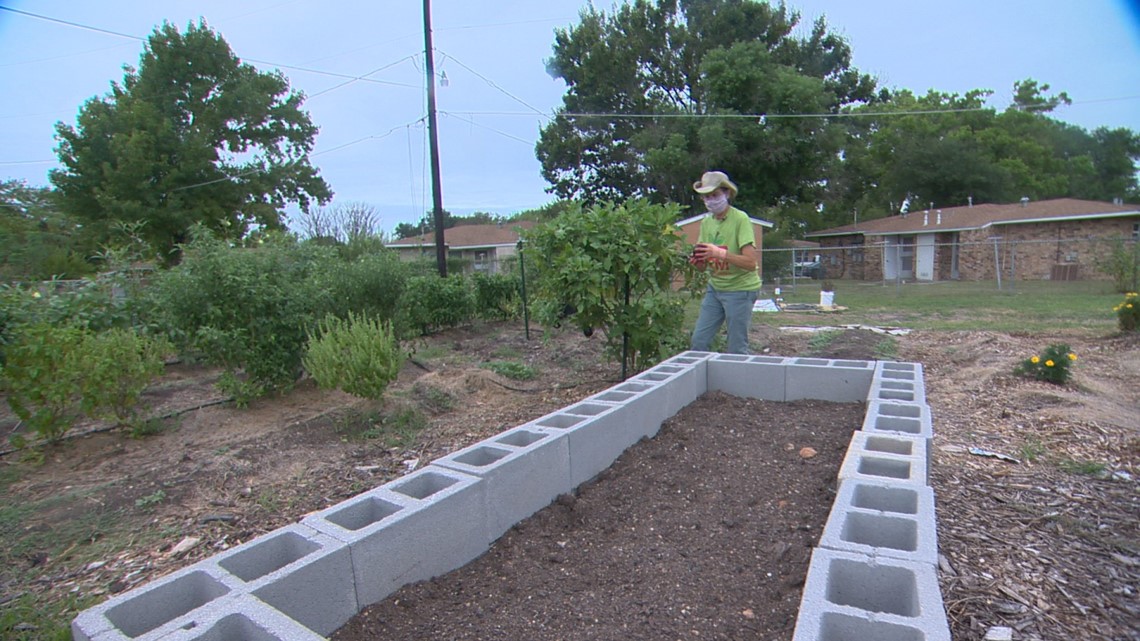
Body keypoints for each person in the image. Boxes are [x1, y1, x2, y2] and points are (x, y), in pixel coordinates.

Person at [688, 170, 761, 354]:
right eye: (707, 197)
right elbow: (703, 264)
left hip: (740, 289)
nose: (711, 200)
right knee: (699, 341)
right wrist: (697, 261)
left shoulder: (740, 219)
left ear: (727, 193)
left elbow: (751, 263)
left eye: (715, 195)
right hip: (716, 288)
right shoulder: (707, 223)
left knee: (737, 347)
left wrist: (720, 253)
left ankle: (739, 381)